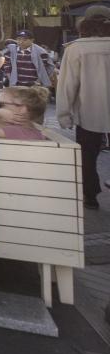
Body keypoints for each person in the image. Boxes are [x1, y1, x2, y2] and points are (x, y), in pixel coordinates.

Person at [57, 15, 110, 210]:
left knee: (87, 156)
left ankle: (91, 195)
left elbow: (67, 85)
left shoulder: (76, 49)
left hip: (89, 110)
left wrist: (64, 114)